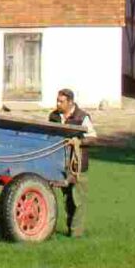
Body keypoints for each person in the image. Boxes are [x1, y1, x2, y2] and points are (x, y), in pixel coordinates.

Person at [48, 88, 96, 237]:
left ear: (70, 102)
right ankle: (70, 229)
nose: (58, 103)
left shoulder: (82, 117)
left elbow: (93, 137)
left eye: (61, 101)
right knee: (68, 200)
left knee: (78, 201)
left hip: (78, 166)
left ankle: (76, 233)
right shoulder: (54, 116)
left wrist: (79, 141)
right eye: (57, 100)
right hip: (61, 165)